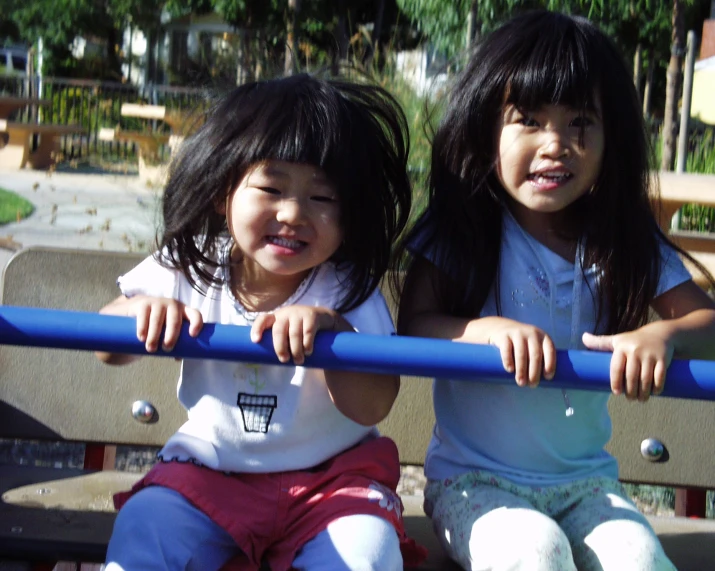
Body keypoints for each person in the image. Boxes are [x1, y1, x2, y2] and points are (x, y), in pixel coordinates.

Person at [396, 10, 715, 571]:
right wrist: (483, 331)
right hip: (473, 482)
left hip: (586, 485)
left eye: (580, 123)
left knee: (639, 560)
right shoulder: (465, 232)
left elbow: (707, 324)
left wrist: (661, 335)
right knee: (533, 554)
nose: (556, 145)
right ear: (484, 127)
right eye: (530, 121)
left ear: (610, 139)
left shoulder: (622, 241)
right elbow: (416, 324)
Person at [96, 72, 426, 571]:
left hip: (330, 482)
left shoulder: (347, 288)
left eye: (322, 198)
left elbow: (373, 404)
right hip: (210, 473)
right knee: (145, 530)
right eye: (271, 187)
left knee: (367, 554)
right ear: (222, 191)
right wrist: (137, 314)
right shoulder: (192, 265)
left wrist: (334, 336)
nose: (293, 213)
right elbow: (106, 345)